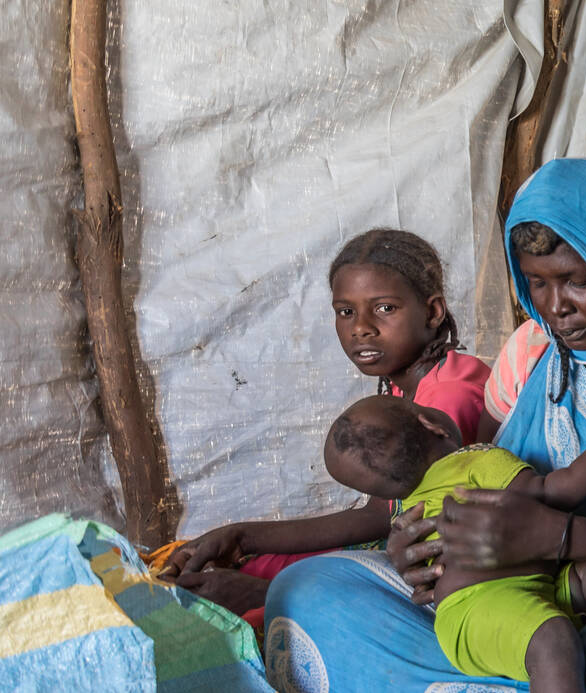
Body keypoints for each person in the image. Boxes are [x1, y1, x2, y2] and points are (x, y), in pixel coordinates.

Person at [262, 159, 586, 691]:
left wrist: (560, 536)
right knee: (308, 588)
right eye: (537, 284)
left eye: (578, 281)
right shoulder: (533, 353)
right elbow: (470, 474)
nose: (556, 306)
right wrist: (418, 547)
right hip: (512, 596)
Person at [162, 228, 493, 620]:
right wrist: (239, 537)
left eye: (385, 308)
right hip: (403, 545)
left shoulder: (447, 399)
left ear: (433, 311)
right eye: (345, 311)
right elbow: (381, 513)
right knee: (239, 564)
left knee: (246, 605)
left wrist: (264, 589)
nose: (361, 327)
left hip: (445, 574)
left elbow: (392, 527)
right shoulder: (411, 388)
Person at [314, 395, 586, 691]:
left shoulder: (412, 505)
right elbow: (555, 492)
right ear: (431, 423)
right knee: (552, 639)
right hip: (487, 602)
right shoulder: (477, 459)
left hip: (481, 606)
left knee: (579, 579)